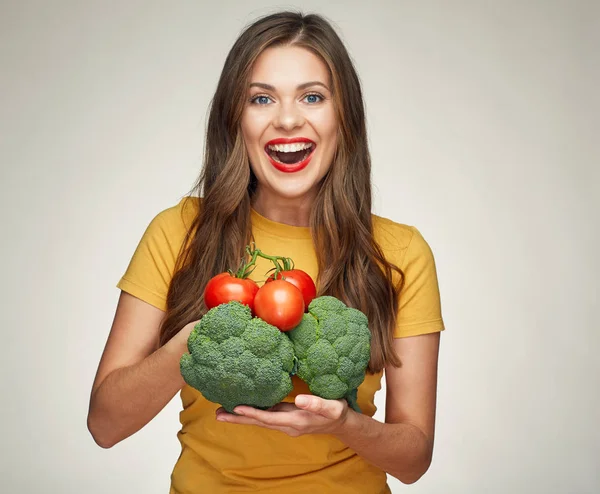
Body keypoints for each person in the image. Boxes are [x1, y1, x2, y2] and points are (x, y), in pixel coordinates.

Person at [87, 10, 444, 494]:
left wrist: (342, 424)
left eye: (313, 96)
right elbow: (104, 427)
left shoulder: (399, 252)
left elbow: (413, 460)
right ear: (236, 118)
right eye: (261, 98)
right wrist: (191, 344)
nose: (288, 118)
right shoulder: (181, 232)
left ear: (344, 116)